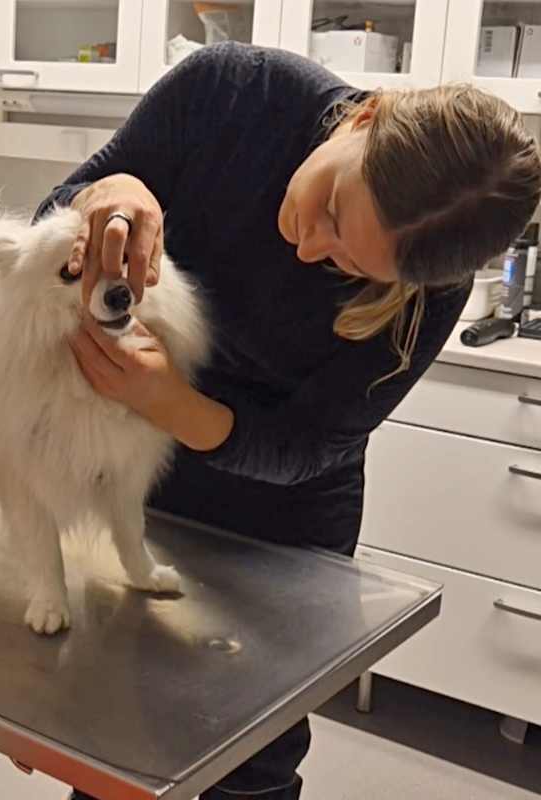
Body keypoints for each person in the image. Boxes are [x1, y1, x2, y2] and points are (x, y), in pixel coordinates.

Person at [33, 42, 541, 800]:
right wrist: (106, 194)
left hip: (281, 527)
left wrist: (169, 403)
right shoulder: (231, 92)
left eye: (351, 265)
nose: (308, 246)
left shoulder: (435, 291)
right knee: (114, 742)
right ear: (364, 117)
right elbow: (46, 224)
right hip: (141, 479)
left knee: (247, 763)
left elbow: (307, 445)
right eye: (331, 206)